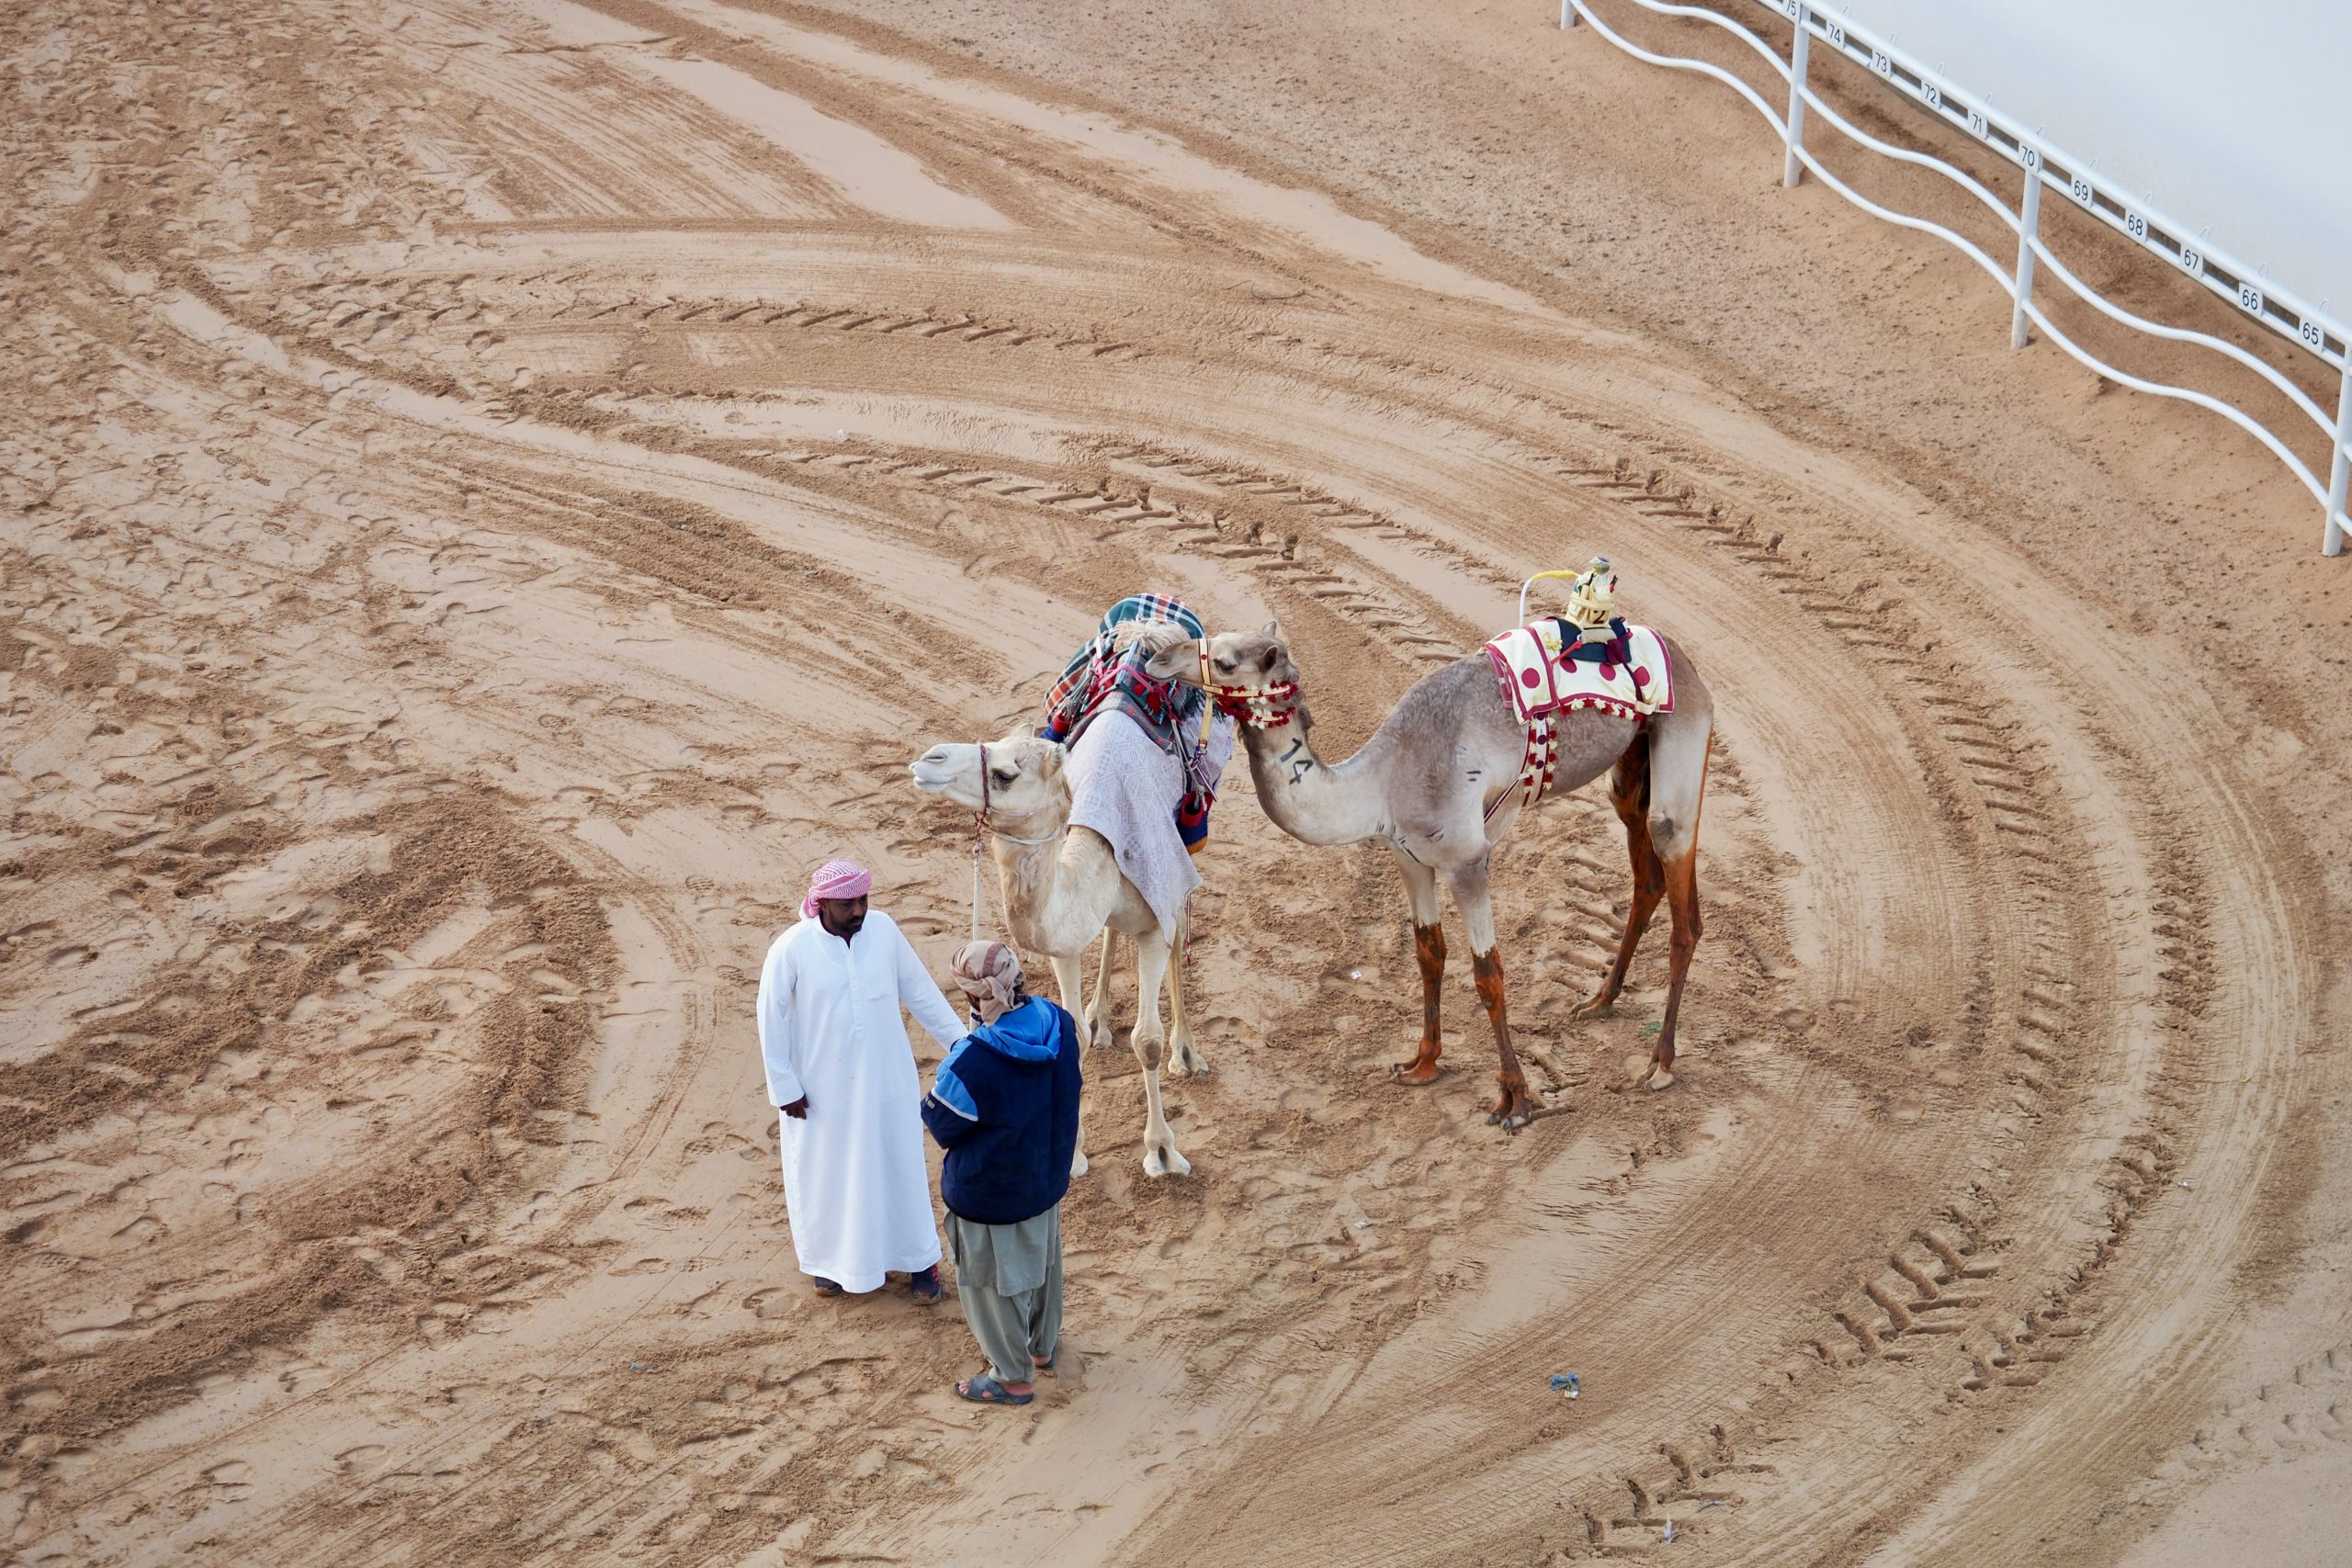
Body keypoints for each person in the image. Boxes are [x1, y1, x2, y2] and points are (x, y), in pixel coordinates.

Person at [756, 858, 966, 1302]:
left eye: (863, 900)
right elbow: (769, 1019)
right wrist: (784, 1086)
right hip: (820, 1091)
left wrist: (963, 1047)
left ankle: (920, 1264)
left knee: (901, 1168)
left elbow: (921, 992)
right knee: (829, 1175)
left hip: (887, 1082)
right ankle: (833, 1265)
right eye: (847, 903)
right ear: (822, 904)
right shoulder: (791, 948)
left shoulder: (885, 931)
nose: (858, 911)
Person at [922, 941, 1081, 1406]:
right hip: (1046, 1178)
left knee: (993, 1286)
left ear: (976, 997)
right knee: (1045, 1264)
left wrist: (960, 1056)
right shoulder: (1060, 1023)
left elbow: (942, 1125)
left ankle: (1011, 1378)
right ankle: (1041, 1349)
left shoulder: (971, 1061)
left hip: (991, 1196)